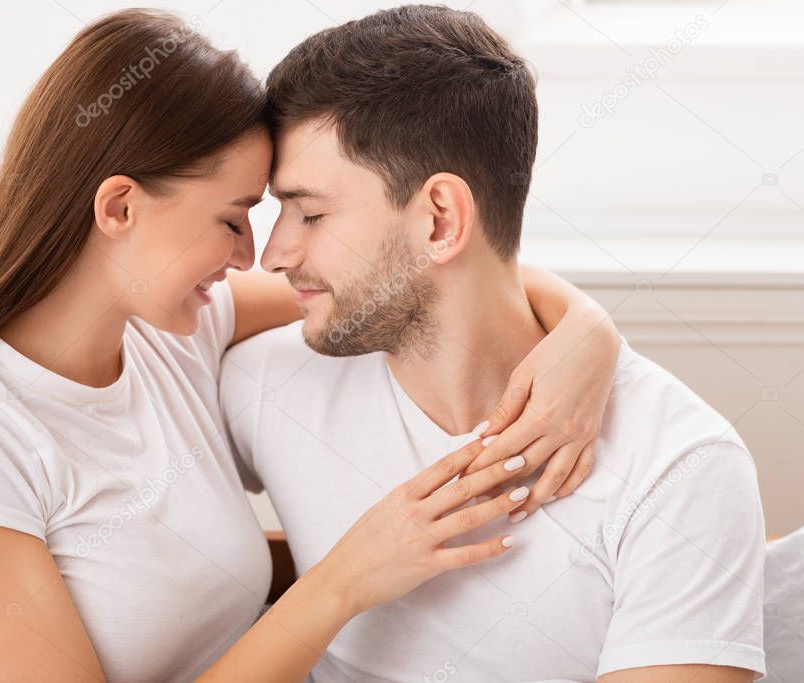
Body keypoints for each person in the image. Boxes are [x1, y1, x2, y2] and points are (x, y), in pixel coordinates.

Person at [0, 9, 621, 682]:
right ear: (119, 208)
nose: (256, 254)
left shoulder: (173, 334)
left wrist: (587, 335)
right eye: (233, 217)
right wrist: (347, 579)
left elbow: (426, 269)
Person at [218, 5, 766, 682]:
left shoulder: (678, 467)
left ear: (441, 218)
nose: (273, 253)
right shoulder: (260, 386)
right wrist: (586, 322)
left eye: (312, 213)